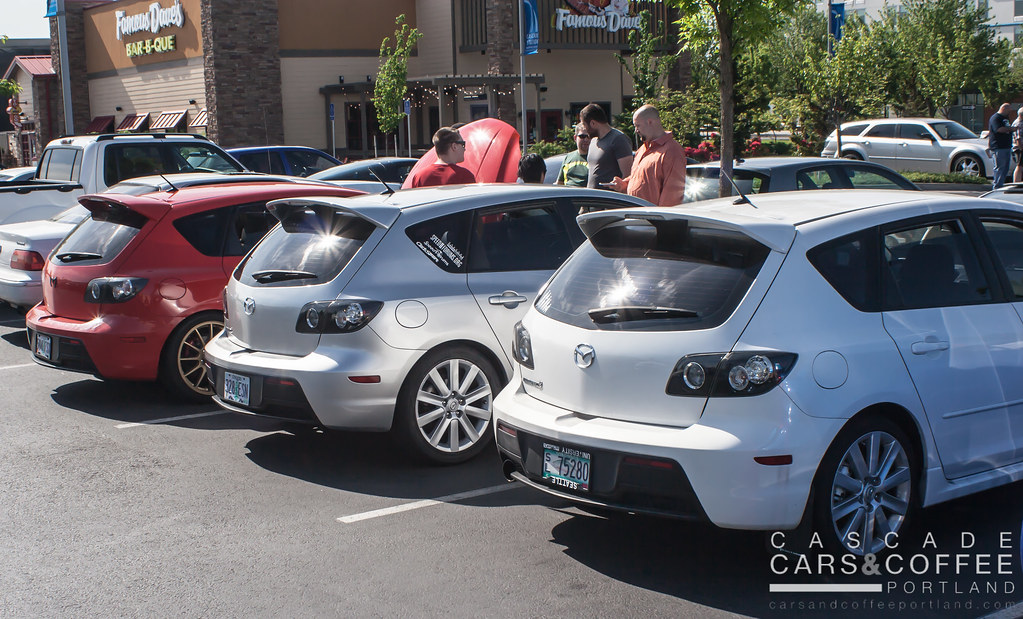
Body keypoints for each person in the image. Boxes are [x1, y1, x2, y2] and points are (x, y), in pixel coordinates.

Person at [606, 104, 687, 206]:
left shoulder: (672, 150)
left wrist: (660, 215)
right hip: (637, 212)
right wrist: (623, 185)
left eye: (637, 125)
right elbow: (643, 180)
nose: (636, 131)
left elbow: (672, 195)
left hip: (652, 214)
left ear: (650, 122)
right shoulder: (642, 149)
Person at [579, 103, 633, 189]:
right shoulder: (593, 141)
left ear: (593, 123)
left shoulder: (618, 139)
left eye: (584, 125)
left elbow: (628, 175)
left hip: (609, 196)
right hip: (592, 196)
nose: (584, 128)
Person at [406, 127, 476, 188]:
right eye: (462, 144)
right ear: (454, 146)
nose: (464, 149)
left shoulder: (420, 176)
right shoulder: (465, 176)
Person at [988, 102, 1015, 190]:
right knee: (1000, 167)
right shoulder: (996, 118)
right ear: (1004, 109)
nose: (1010, 112)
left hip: (1007, 146)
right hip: (998, 147)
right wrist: (1012, 129)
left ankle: (1001, 184)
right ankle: (997, 187)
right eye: (1009, 110)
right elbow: (999, 129)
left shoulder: (1005, 118)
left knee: (1005, 168)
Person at [556, 123, 591, 187]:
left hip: (587, 193)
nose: (586, 139)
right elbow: (559, 183)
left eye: (589, 136)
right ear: (575, 138)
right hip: (568, 192)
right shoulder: (568, 157)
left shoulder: (596, 158)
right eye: (582, 136)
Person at [1013, 107, 1023, 184]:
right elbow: (1018, 138)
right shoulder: (1019, 123)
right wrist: (1021, 148)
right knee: (1019, 166)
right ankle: (1016, 183)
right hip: (1019, 148)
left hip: (1020, 147)